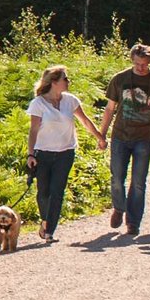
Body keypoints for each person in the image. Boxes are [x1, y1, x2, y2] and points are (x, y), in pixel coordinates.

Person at [25, 63, 103, 241]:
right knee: (43, 192)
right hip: (43, 153)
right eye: (65, 79)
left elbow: (85, 121)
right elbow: (33, 130)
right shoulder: (38, 104)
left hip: (65, 153)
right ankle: (45, 220)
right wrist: (31, 154)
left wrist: (100, 137)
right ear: (54, 82)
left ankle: (50, 231)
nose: (68, 81)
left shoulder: (70, 100)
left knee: (57, 191)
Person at [98, 43, 150, 231]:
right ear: (132, 60)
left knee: (138, 182)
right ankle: (119, 208)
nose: (141, 68)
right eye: (138, 64)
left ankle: (133, 222)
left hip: (144, 137)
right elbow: (109, 109)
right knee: (117, 178)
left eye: (144, 65)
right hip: (121, 135)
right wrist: (102, 134)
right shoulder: (120, 79)